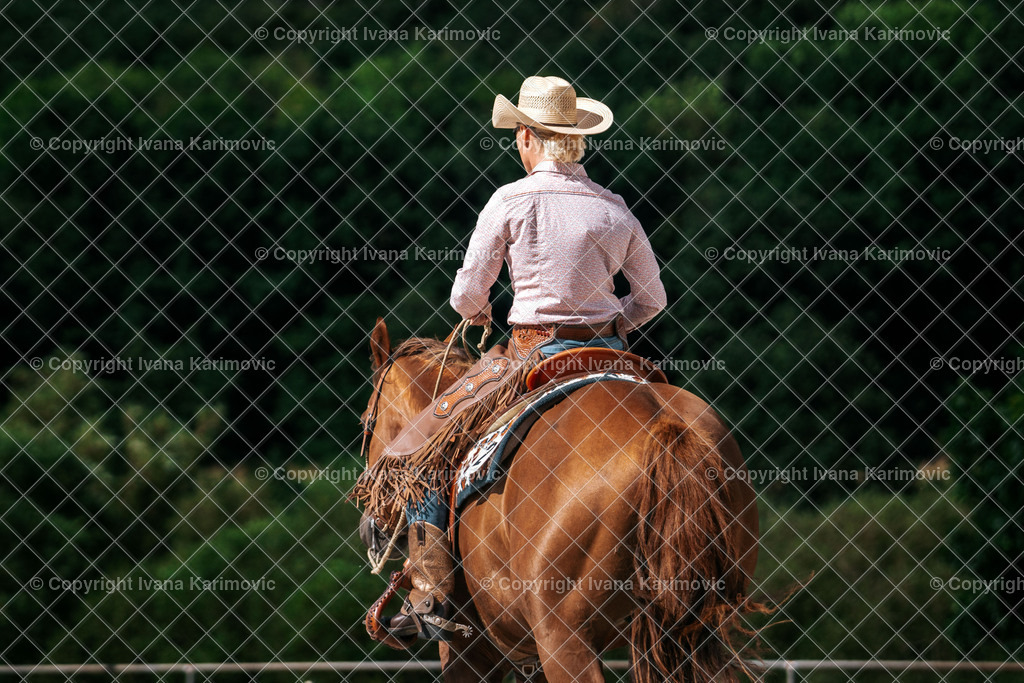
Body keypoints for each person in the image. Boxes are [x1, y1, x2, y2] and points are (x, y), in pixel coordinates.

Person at [387, 75, 667, 641]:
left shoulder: (510, 200)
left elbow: (466, 295)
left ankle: (430, 591)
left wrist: (480, 312)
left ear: (526, 137)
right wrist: (614, 321)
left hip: (534, 353)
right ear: (577, 138)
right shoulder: (615, 209)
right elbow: (653, 300)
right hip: (611, 354)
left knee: (427, 446)